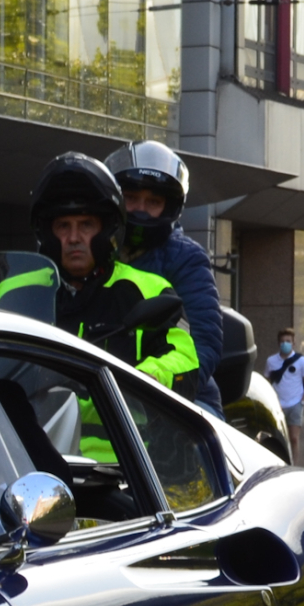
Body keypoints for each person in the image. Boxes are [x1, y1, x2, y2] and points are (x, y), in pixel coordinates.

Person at [0, 152, 201, 392]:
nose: (73, 238)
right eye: (63, 226)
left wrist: (150, 375)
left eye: (86, 225)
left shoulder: (148, 290)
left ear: (106, 229)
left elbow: (185, 359)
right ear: (47, 233)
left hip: (114, 429)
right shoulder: (13, 289)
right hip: (23, 427)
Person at [105, 140, 224, 411]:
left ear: (170, 207)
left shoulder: (187, 259)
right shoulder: (95, 251)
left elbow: (205, 342)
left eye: (153, 201)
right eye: (131, 198)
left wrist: (153, 380)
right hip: (96, 388)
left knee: (197, 446)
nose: (140, 208)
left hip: (179, 397)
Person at [263, 328, 304, 465]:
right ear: (278, 343)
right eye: (283, 341)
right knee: (277, 438)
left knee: (294, 438)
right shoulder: (271, 361)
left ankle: (293, 465)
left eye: (288, 341)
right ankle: (278, 464)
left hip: (295, 404)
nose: (285, 344)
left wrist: (302, 402)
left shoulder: (302, 361)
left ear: (294, 343)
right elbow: (266, 381)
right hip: (277, 405)